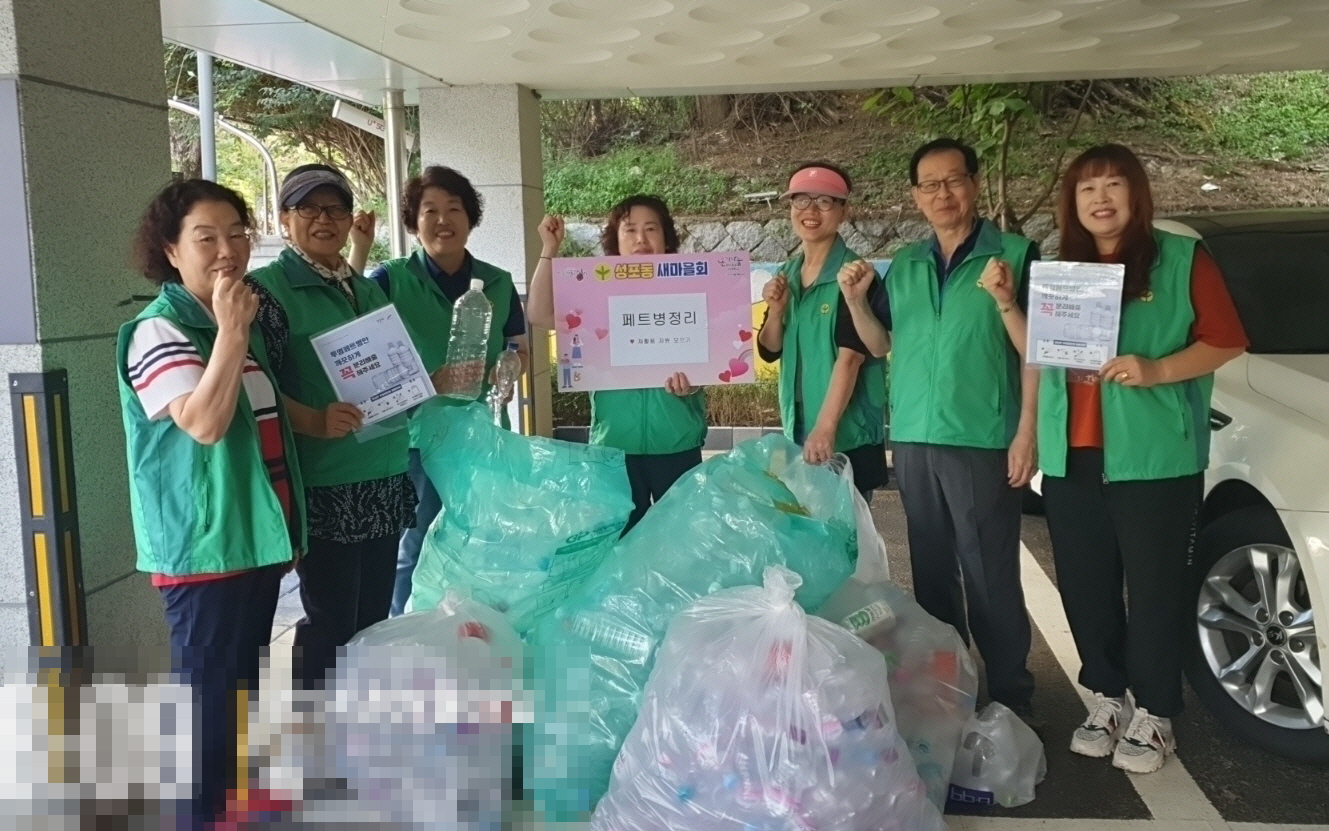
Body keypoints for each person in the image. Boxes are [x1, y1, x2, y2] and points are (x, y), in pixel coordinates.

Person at [1039, 144, 1246, 773]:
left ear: (1137, 194)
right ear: (1072, 204)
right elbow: (1038, 356)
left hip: (1154, 458)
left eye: (1113, 185)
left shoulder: (1180, 259)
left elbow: (1226, 340)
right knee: (1084, 584)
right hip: (1072, 452)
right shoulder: (1062, 269)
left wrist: (1157, 369)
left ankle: (1155, 713)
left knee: (1155, 589)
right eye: (1086, 189)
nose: (1101, 199)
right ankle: (1106, 695)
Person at [120, 180, 304, 826]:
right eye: (206, 237)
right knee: (207, 719)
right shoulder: (160, 331)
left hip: (249, 546)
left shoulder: (227, 325)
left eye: (236, 233)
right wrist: (230, 332)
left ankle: (230, 815)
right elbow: (203, 422)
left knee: (235, 706)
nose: (226, 250)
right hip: (204, 552)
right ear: (171, 250)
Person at [839, 138, 1040, 722]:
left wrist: (1027, 432)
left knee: (989, 572)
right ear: (915, 197)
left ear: (975, 185)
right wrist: (856, 301)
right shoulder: (905, 265)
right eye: (930, 184)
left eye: (954, 180)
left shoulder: (1017, 259)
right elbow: (880, 344)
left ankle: (1011, 698)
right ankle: (950, 689)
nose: (943, 193)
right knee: (930, 570)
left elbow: (1040, 355)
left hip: (982, 438)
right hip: (916, 438)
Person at [247, 163, 416, 689]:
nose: (325, 219)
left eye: (336, 208)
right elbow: (255, 386)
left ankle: (360, 731)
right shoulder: (267, 292)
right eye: (309, 209)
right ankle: (316, 736)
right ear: (283, 219)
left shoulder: (364, 288)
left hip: (383, 470)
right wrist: (314, 422)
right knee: (332, 622)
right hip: (325, 484)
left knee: (372, 621)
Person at [369, 166, 529, 616]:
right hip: (417, 439)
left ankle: (472, 633)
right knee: (416, 542)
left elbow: (517, 346)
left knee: (479, 537)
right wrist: (427, 383)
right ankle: (407, 631)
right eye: (430, 211)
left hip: (481, 433)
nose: (443, 220)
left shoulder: (497, 282)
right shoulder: (389, 281)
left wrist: (511, 368)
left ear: (470, 217)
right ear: (413, 222)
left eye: (454, 209)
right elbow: (362, 361)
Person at [526, 195, 706, 533]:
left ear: (666, 238)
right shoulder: (594, 291)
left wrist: (697, 381)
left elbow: (717, 351)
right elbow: (537, 313)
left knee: (681, 537)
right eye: (630, 230)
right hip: (614, 445)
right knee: (619, 539)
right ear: (615, 239)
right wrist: (549, 248)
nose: (641, 239)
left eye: (651, 229)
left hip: (677, 440)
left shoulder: (693, 286)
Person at [756, 162, 889, 500]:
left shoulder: (855, 276)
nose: (811, 211)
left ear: (844, 210)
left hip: (844, 434)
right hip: (798, 424)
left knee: (846, 538)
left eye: (825, 201)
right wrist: (777, 311)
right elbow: (770, 349)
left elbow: (851, 359)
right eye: (801, 200)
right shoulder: (789, 272)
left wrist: (825, 429)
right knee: (806, 536)